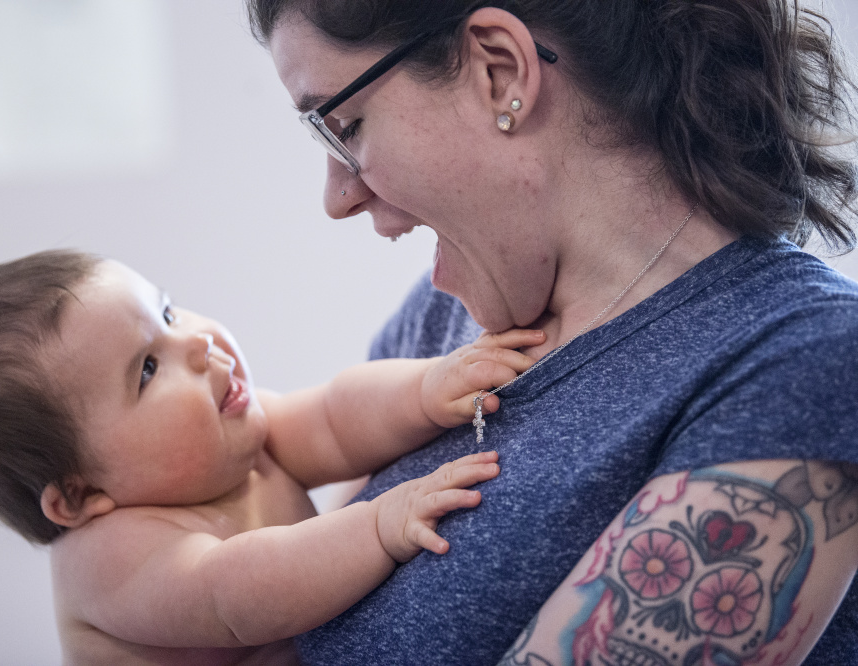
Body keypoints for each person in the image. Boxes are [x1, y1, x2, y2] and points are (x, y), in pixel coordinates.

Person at [248, 0, 858, 663]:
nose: (337, 198)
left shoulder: (798, 357)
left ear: (500, 71)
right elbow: (279, 625)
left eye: (344, 125)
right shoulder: (440, 321)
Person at [0, 249, 545, 665]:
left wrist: (426, 391)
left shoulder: (234, 438)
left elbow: (333, 417)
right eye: (148, 369)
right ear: (77, 496)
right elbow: (235, 594)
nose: (196, 343)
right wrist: (377, 523)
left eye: (166, 310)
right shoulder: (110, 556)